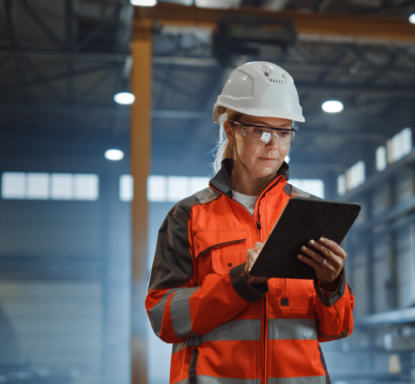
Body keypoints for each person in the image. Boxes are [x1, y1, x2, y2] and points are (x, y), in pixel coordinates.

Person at [145, 61, 354, 384]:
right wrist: (240, 283)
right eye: (260, 130)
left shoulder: (312, 213)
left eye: (284, 132)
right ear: (231, 130)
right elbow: (164, 319)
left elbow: (337, 328)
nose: (274, 145)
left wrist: (332, 285)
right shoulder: (188, 216)